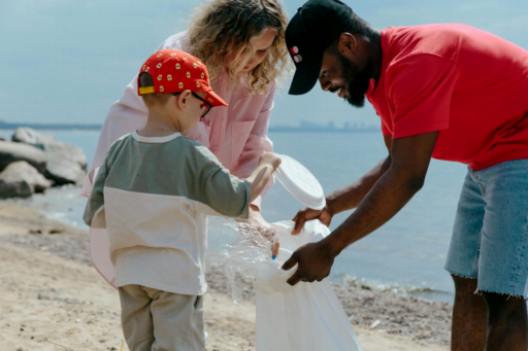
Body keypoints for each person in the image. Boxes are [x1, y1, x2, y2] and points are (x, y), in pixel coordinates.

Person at [281, 0, 528, 350]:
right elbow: (394, 164)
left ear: (348, 44)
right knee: (466, 279)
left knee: (503, 294)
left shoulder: (416, 63)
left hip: (520, 149)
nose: (325, 86)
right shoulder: (383, 78)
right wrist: (330, 206)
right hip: (488, 158)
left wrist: (330, 248)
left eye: (323, 73)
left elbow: (409, 177)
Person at [83, 49, 281, 351]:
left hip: (130, 273)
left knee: (140, 345)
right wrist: (266, 165)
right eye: (203, 106)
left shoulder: (119, 149)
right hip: (174, 276)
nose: (204, 115)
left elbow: (95, 212)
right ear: (183, 99)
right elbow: (236, 198)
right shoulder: (193, 155)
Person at [87, 0, 288, 230]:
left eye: (262, 51)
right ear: (223, 34)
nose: (250, 60)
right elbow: (171, 140)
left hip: (190, 194)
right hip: (143, 179)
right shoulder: (180, 57)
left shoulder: (261, 80)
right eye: (243, 48)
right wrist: (263, 171)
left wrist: (251, 210)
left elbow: (252, 146)